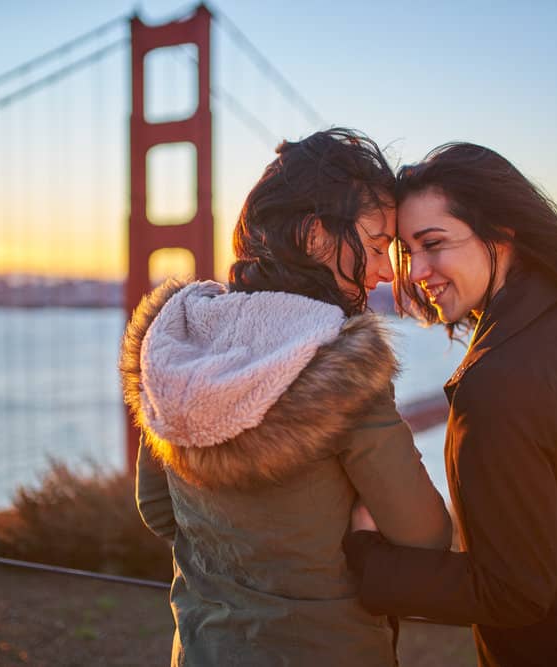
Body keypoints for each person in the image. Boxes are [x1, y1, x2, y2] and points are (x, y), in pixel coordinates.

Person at [343, 143, 557, 667]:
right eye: (407, 251)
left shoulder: (499, 379)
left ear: (501, 233)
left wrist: (369, 562)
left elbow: (512, 593)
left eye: (433, 244)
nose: (415, 272)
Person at [120, 128, 452, 666]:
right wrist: (362, 527)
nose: (385, 271)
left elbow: (158, 510)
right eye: (374, 246)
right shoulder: (342, 364)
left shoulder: (180, 344)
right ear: (314, 235)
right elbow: (424, 537)